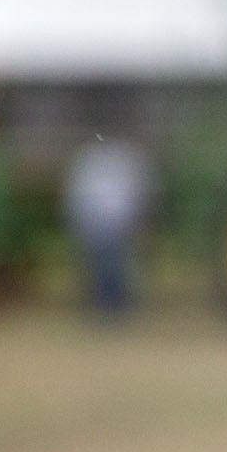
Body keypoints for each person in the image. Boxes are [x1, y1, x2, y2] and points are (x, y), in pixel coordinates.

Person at [62, 133, 152, 319]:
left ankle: (116, 306)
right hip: (98, 223)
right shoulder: (89, 158)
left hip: (118, 223)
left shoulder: (122, 158)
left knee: (116, 266)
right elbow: (77, 194)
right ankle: (104, 306)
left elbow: (137, 191)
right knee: (101, 266)